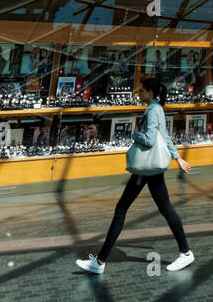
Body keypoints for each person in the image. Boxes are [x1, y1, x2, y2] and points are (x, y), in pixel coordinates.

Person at [77, 76, 194, 275]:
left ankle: (100, 261)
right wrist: (177, 158)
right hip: (150, 168)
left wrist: (134, 134)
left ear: (150, 93)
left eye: (141, 90)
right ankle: (185, 252)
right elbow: (164, 136)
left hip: (147, 168)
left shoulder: (153, 111)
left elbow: (149, 140)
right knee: (163, 209)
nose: (138, 93)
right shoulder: (157, 109)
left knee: (123, 208)